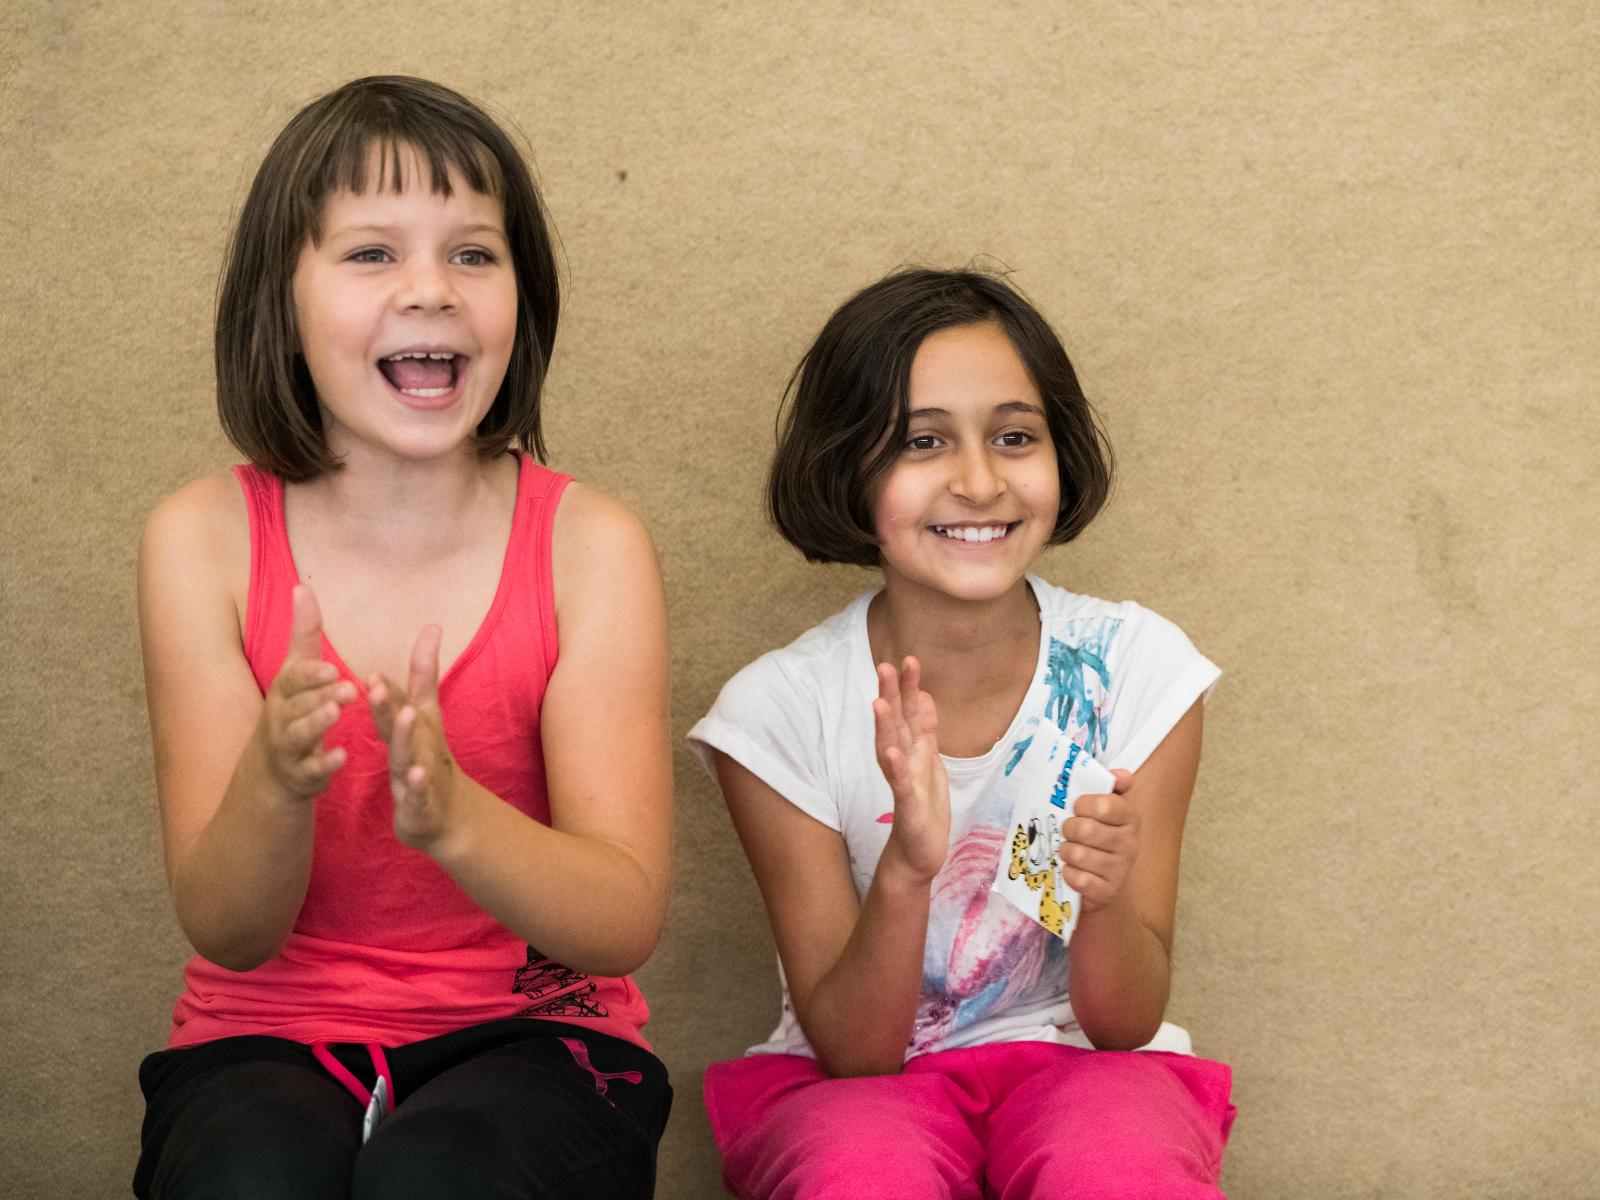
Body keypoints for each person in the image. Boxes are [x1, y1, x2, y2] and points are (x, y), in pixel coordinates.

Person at [133, 76, 672, 1199]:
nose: (431, 290)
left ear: (524, 297)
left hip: (543, 1037)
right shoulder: (202, 541)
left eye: (474, 255)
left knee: (440, 1181)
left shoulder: (592, 547)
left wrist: (455, 819)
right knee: (254, 1178)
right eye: (371, 253)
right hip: (265, 1031)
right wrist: (276, 785)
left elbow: (621, 922)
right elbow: (231, 931)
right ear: (278, 300)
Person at [689, 268, 1236, 1199]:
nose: (979, 481)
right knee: (863, 1177)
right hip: (857, 1086)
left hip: (1086, 1065)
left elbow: (1125, 1022)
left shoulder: (1140, 667)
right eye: (922, 442)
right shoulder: (778, 711)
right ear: (846, 468)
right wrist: (906, 867)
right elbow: (856, 1051)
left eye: (1015, 438)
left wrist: (1101, 898)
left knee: (1119, 1172)